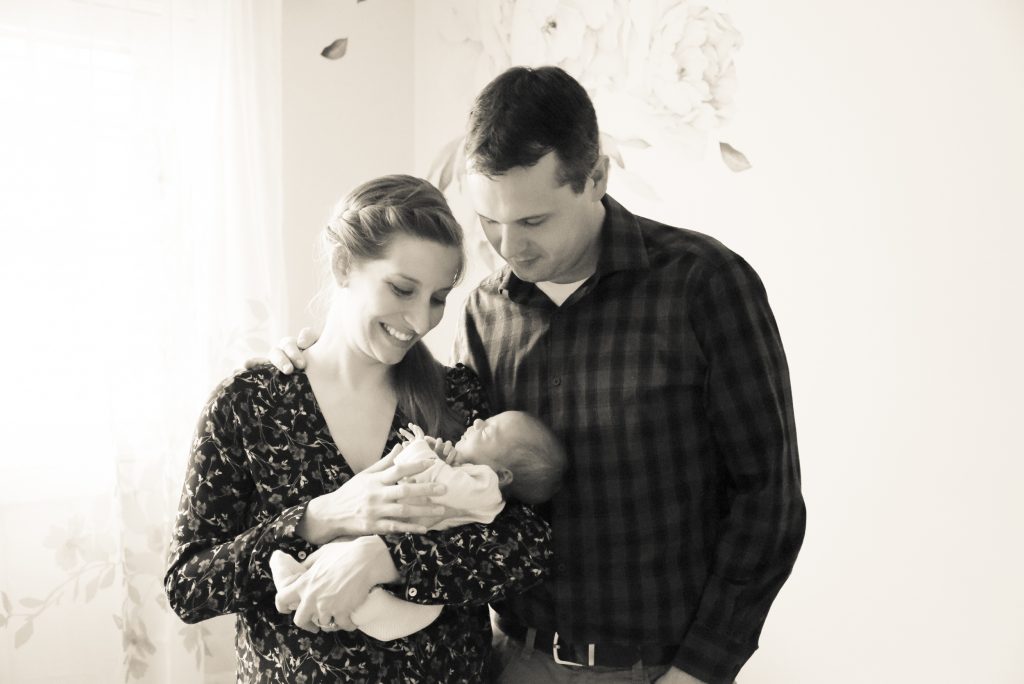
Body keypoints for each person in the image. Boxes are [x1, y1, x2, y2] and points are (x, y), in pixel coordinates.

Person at [269, 66, 806, 684]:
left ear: (595, 177)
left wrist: (701, 669)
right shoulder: (484, 311)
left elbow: (768, 497)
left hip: (656, 668)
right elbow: (459, 487)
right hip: (510, 660)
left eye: (532, 222)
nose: (508, 247)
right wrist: (316, 353)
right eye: (489, 221)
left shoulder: (703, 284)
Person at [164, 175, 552, 683]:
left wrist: (385, 558)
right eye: (403, 289)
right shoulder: (249, 404)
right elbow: (188, 586)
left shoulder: (456, 397)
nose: (421, 321)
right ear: (344, 265)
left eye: (438, 298)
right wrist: (317, 519)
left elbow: (525, 548)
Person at [270, 412, 567, 642]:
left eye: (488, 429)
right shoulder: (472, 479)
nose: (477, 421)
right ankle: (300, 578)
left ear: (503, 476)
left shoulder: (485, 488)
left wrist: (420, 447)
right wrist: (442, 459)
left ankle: (342, 601)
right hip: (389, 536)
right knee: (338, 552)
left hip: (405, 554)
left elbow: (435, 481)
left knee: (398, 595)